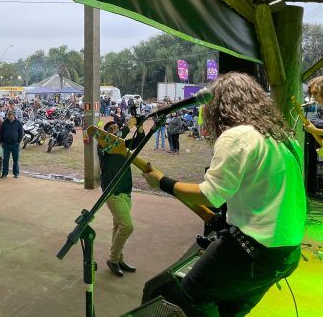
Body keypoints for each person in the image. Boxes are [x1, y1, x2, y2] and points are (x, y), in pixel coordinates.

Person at [142, 73, 306, 316]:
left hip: (254, 250)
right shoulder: (284, 137)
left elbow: (211, 196)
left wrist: (163, 182)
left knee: (191, 292)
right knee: (229, 308)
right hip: (287, 253)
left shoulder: (238, 136)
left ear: (219, 105)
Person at [99, 120, 143, 276]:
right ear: (104, 135)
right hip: (113, 192)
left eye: (117, 128)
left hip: (125, 190)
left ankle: (118, 259)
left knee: (118, 226)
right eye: (111, 129)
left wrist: (140, 127)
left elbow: (138, 141)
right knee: (127, 226)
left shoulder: (123, 146)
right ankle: (113, 259)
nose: (115, 131)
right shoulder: (104, 146)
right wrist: (127, 127)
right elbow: (114, 142)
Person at [0, 110, 23, 178]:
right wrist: (1, 141)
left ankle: (16, 173)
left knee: (15, 159)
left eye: (10, 115)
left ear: (14, 115)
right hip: (6, 144)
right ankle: (4, 173)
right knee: (5, 159)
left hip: (15, 144)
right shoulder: (4, 122)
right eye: (8, 115)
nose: (9, 116)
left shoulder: (18, 122)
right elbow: (1, 132)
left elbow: (21, 133)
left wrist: (18, 141)